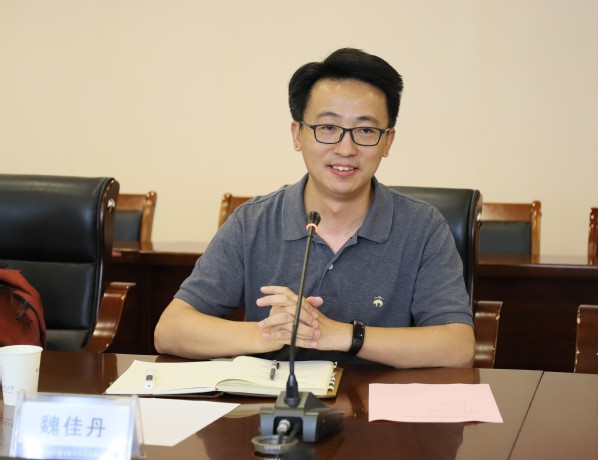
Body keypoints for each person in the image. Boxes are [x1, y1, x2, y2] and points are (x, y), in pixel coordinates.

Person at [154, 48, 475, 368]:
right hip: (278, 399)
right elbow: (170, 330)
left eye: (365, 130)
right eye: (328, 128)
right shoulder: (252, 222)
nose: (346, 149)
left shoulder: (422, 226)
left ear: (387, 141)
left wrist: (342, 335)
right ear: (298, 135)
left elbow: (458, 347)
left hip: (377, 400)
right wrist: (271, 333)